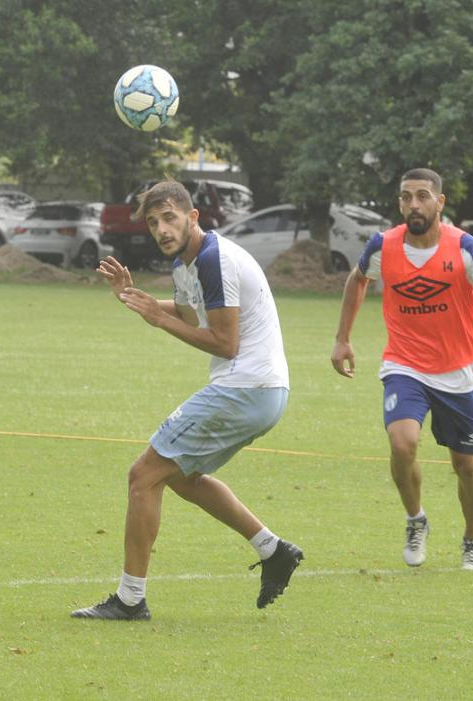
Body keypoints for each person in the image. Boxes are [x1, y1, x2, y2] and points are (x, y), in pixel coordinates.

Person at [71, 179, 302, 620]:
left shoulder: (214, 260)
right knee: (177, 477)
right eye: (154, 222)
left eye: (170, 218)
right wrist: (133, 298)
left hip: (245, 387)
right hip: (259, 391)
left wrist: (157, 319)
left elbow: (225, 342)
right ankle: (272, 549)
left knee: (143, 475)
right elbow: (189, 312)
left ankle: (130, 600)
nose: (161, 228)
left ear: (193, 217)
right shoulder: (188, 262)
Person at [331, 168, 473, 571]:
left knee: (465, 465)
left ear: (439, 202)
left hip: (456, 371)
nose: (413, 204)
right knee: (402, 443)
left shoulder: (466, 248)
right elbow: (358, 280)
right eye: (406, 197)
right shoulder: (383, 245)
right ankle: (416, 519)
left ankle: (472, 539)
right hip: (404, 365)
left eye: (422, 196)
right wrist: (342, 338)